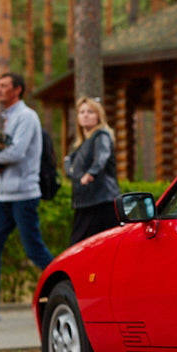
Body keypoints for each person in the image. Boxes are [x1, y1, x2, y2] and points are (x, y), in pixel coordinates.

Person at [0, 73, 55, 322]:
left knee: (34, 250)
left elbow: (16, 152)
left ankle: (70, 290)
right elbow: (8, 152)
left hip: (24, 195)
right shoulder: (8, 118)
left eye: (4, 86)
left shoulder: (26, 117)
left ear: (18, 90)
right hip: (3, 196)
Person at [64, 97, 122, 246]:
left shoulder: (101, 136)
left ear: (98, 116)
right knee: (87, 247)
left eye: (90, 112)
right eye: (82, 112)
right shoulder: (82, 143)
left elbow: (101, 158)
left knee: (82, 246)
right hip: (87, 202)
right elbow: (71, 165)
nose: (85, 115)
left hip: (101, 201)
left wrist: (90, 174)